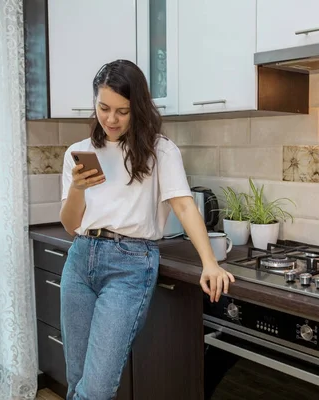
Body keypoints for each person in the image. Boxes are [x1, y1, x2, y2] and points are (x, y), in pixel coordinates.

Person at [59, 59, 234, 400]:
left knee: (94, 390)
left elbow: (184, 205)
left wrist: (210, 263)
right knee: (77, 380)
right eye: (103, 108)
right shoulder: (78, 153)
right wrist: (78, 188)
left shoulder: (160, 151)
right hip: (80, 260)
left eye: (122, 111)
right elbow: (70, 225)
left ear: (137, 108)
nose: (111, 119)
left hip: (130, 265)